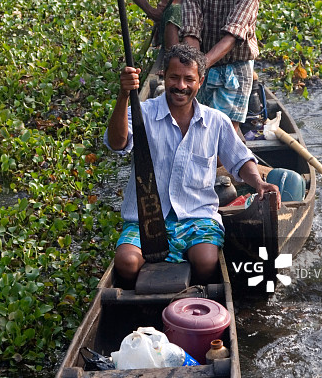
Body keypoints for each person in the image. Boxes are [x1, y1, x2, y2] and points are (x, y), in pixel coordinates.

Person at [105, 44, 280, 285]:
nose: (181, 86)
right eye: (174, 77)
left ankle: (197, 298)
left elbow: (240, 160)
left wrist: (259, 183)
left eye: (189, 79)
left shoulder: (215, 121)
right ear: (163, 76)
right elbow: (117, 143)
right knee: (126, 263)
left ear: (200, 81)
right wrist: (124, 95)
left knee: (206, 261)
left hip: (197, 217)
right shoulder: (142, 112)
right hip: (146, 219)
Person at [179, 0, 260, 132]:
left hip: (236, 62)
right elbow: (191, 30)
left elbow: (233, 35)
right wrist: (195, 69)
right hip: (202, 58)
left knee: (225, 129)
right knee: (196, 123)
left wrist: (199, 67)